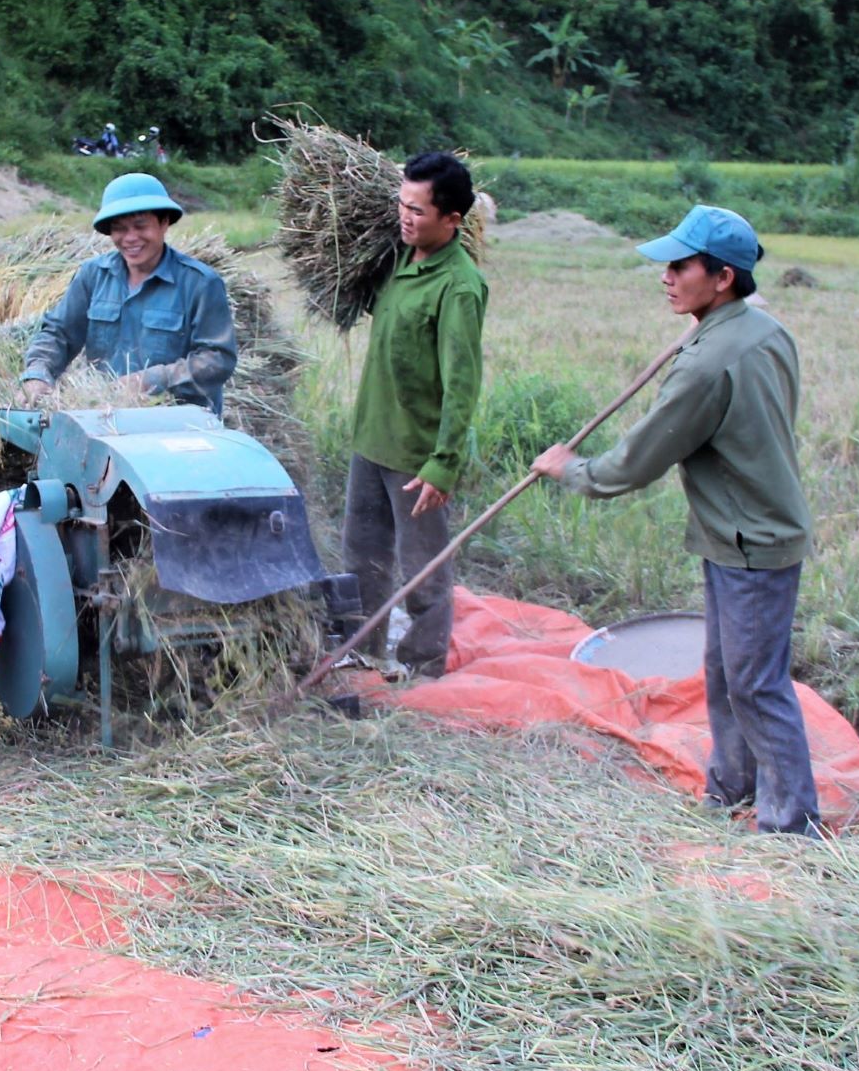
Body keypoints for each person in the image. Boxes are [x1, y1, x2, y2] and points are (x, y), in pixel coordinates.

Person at [531, 205, 820, 837]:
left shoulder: (707, 363)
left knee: (756, 682)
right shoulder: (759, 329)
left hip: (753, 539)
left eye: (680, 266)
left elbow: (631, 467)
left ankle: (793, 823)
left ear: (721, 278)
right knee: (724, 672)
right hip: (736, 532)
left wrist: (571, 469)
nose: (666, 277)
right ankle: (733, 787)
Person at [343, 151, 487, 679]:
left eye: (418, 211)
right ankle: (362, 649)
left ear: (452, 219)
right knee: (361, 555)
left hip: (416, 455)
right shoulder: (400, 258)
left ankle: (424, 667)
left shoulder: (459, 286)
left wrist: (443, 463)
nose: (405, 217)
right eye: (402, 204)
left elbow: (462, 384)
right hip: (371, 436)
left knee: (422, 568)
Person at [19, 173, 237, 414]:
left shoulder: (200, 283)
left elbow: (218, 359)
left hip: (180, 421)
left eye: (140, 226)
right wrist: (38, 373)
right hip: (106, 416)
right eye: (120, 229)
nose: (130, 238)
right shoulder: (93, 275)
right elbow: (58, 333)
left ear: (164, 223)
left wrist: (152, 380)